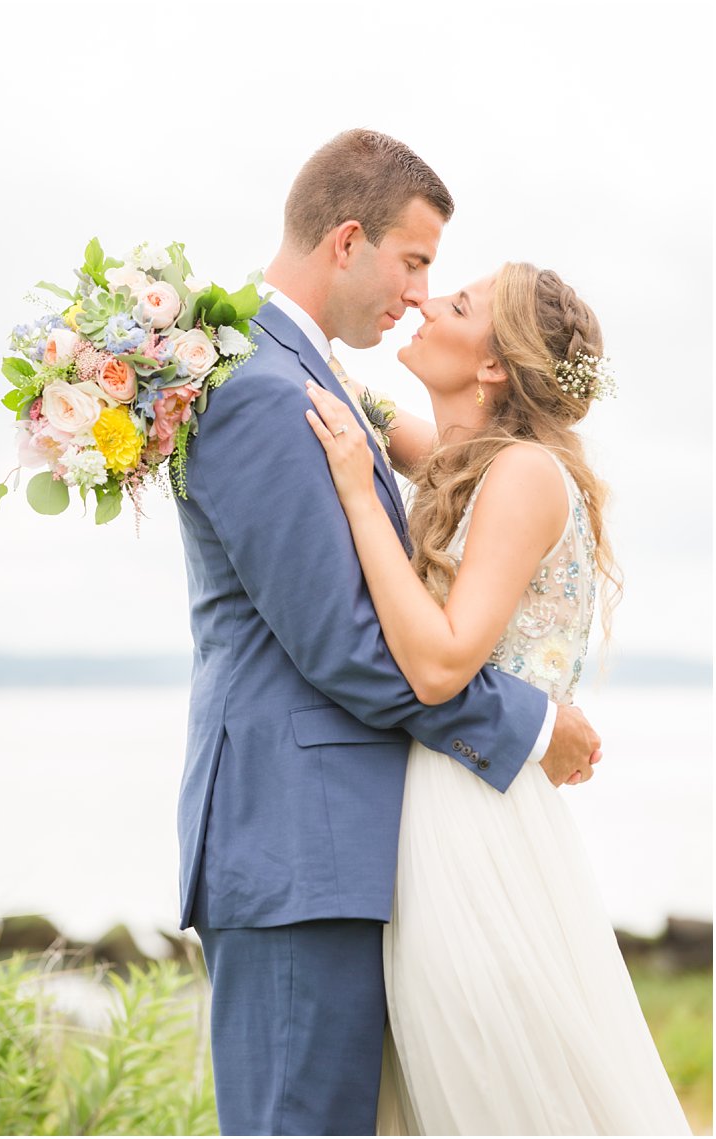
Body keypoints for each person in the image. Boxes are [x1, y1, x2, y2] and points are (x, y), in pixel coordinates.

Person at [172, 130, 603, 1134]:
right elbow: (350, 649)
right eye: (416, 265)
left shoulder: (311, 383)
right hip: (297, 846)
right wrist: (532, 724)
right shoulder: (267, 393)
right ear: (348, 241)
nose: (418, 294)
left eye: (443, 287)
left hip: (356, 845)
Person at [305, 263, 688, 1134]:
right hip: (448, 803)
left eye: (459, 303)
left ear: (491, 369)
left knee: (498, 1092)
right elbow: (348, 395)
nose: (428, 300)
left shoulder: (520, 474)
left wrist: (361, 498)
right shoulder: (468, 462)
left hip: (470, 821)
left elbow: (440, 666)